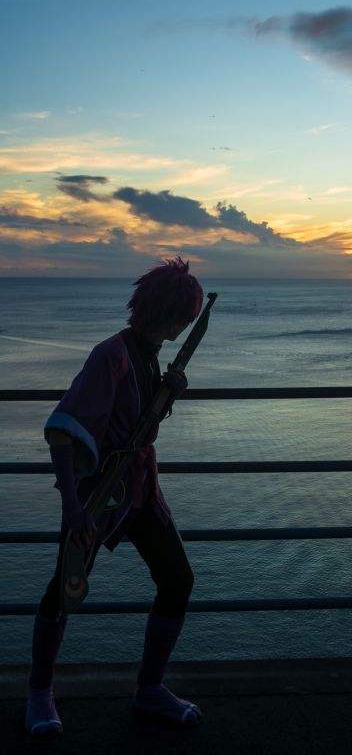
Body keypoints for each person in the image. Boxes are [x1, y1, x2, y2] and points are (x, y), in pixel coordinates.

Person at [25, 257, 205, 739]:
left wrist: (168, 392)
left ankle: (150, 688)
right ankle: (39, 692)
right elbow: (63, 430)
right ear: (170, 314)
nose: (185, 326)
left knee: (177, 579)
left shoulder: (148, 355)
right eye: (184, 316)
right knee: (64, 589)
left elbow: (137, 418)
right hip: (98, 494)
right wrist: (72, 506)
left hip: (139, 488)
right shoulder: (112, 355)